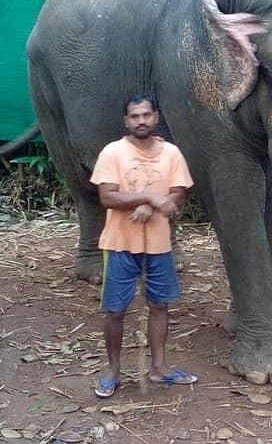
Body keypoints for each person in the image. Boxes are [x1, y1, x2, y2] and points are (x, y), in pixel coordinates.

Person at [90, 94, 198, 398]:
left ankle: (160, 368)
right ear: (126, 121)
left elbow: (178, 193)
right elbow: (107, 197)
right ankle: (112, 370)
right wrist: (149, 198)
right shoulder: (113, 153)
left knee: (160, 305)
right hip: (120, 243)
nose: (141, 121)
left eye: (146, 115)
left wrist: (156, 207)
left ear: (155, 117)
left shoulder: (172, 154)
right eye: (135, 116)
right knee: (114, 309)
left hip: (159, 245)